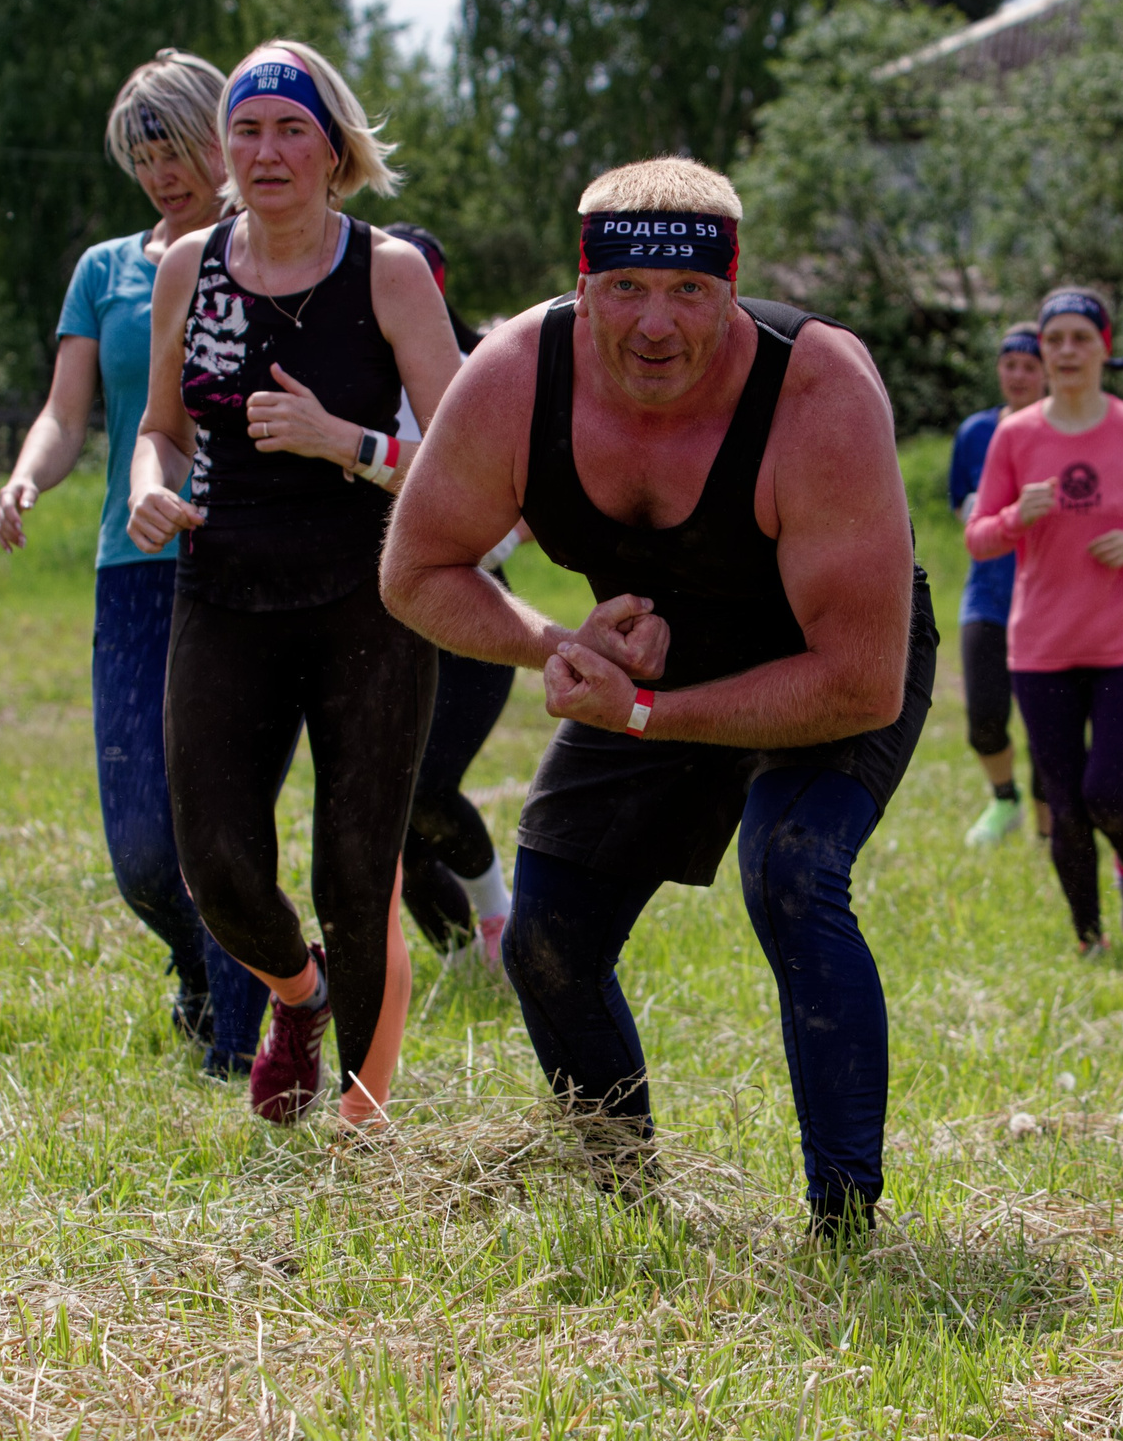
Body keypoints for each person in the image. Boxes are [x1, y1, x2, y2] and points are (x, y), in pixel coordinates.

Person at [381, 156, 937, 1238]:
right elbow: (416, 570)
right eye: (626, 287)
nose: (655, 324)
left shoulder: (817, 390)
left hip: (826, 659)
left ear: (731, 291)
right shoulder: (514, 374)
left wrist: (644, 713)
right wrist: (562, 646)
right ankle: (626, 1206)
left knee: (790, 870)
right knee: (545, 937)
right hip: (651, 662)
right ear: (581, 287)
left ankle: (844, 1224)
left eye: (689, 290)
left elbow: (861, 680)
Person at [129, 42, 460, 1128]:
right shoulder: (190, 266)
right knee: (217, 866)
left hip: (370, 598)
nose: (266, 152)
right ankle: (297, 994)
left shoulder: (390, 273)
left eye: (290, 130)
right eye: (246, 130)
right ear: (224, 148)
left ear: (335, 151)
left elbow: (467, 460)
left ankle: (363, 1128)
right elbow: (161, 430)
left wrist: (343, 440)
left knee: (356, 876)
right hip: (223, 587)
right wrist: (148, 488)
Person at [0, 51, 265, 1074]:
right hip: (134, 565)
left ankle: (242, 1043)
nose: (162, 173)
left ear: (220, 138)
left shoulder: (268, 257)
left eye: (178, 147)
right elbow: (68, 415)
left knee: (219, 819)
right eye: (143, 156)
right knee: (144, 851)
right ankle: (201, 967)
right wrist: (27, 477)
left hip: (245, 565)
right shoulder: (105, 271)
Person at [965, 287, 1123, 956]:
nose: (1067, 350)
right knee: (1065, 805)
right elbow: (979, 538)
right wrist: (1017, 517)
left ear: (1105, 348)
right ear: (1042, 351)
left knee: (1106, 794)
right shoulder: (1015, 435)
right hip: (1041, 649)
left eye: (1080, 338)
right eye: (1054, 339)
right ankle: (1090, 942)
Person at [380, 221, 518, 970]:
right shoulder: (350, 374)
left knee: (428, 788)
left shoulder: (476, 373)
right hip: (378, 615)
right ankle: (464, 966)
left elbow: (511, 514)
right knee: (389, 810)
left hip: (469, 608)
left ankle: (502, 920)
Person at [952, 323, 1047, 848]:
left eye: (1030, 366)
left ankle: (1051, 829)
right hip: (986, 597)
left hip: (1049, 601)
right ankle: (1004, 800)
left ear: (1048, 374)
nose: (1018, 375)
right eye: (1010, 364)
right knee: (985, 719)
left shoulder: (1064, 432)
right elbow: (963, 506)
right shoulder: (975, 433)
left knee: (1050, 725)